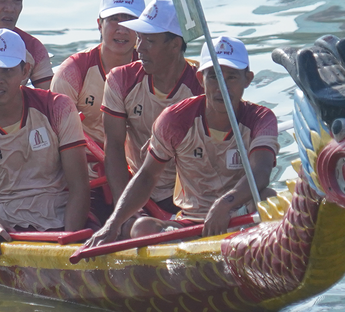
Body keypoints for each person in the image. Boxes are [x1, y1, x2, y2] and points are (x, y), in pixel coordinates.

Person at [83, 36, 279, 249]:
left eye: (231, 77)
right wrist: (114, 223)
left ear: (247, 80)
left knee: (270, 199)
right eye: (213, 77)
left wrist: (225, 205)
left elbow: (261, 171)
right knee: (142, 228)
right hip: (191, 221)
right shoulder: (175, 119)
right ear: (201, 79)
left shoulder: (262, 119)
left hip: (241, 213)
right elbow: (147, 176)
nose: (222, 87)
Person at [0, 29, 89, 261]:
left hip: (61, 222)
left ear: (25, 71)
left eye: (6, 70)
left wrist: (68, 243)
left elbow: (79, 186)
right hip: (7, 234)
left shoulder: (58, 108)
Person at [101, 0, 203, 214]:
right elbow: (114, 148)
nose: (139, 49)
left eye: (150, 41)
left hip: (192, 194)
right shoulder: (120, 80)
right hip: (140, 191)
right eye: (139, 38)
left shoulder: (203, 87)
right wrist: (126, 213)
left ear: (175, 45)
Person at [50, 0, 145, 145]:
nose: (122, 29)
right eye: (114, 19)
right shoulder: (72, 72)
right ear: (99, 25)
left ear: (141, 28)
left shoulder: (152, 70)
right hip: (85, 162)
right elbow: (55, 137)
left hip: (138, 163)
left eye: (130, 20)